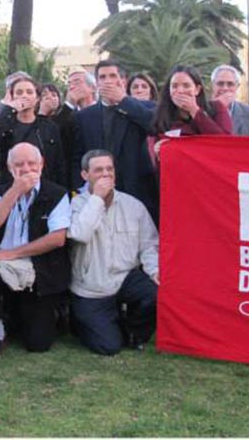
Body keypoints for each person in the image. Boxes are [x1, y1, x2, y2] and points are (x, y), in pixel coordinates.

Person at [0, 143, 70, 356]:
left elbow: (57, 239)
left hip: (38, 267)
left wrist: (12, 254)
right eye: (19, 164)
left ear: (41, 164)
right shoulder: (1, 189)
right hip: (3, 265)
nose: (26, 169)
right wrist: (15, 190)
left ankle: (36, 315)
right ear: (9, 167)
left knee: (38, 344)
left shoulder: (56, 193)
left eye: (31, 163)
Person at [68, 150, 158, 355]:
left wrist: (154, 271)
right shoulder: (76, 205)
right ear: (85, 175)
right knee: (108, 346)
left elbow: (149, 245)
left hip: (125, 277)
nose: (106, 174)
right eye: (98, 170)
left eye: (109, 169)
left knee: (155, 294)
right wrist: (97, 198)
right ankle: (82, 321)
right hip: (92, 286)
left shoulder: (133, 206)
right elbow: (81, 234)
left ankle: (133, 332)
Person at [72, 60, 157, 219]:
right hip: (99, 194)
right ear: (96, 83)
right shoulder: (84, 116)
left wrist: (123, 100)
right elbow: (77, 155)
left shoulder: (144, 107)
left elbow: (154, 126)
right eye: (103, 77)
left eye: (113, 76)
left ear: (123, 81)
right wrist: (80, 188)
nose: (108, 81)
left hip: (137, 192)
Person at [0, 77, 67, 188]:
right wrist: (10, 110)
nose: (24, 96)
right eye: (19, 92)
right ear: (12, 97)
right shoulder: (6, 122)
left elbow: (59, 163)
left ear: (37, 98)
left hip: (43, 186)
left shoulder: (49, 127)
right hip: (10, 186)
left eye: (29, 92)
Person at [152, 65, 233, 137]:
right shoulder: (162, 113)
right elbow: (154, 137)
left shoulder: (216, 108)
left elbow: (224, 141)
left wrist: (194, 110)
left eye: (186, 86)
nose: (180, 90)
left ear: (197, 90)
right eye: (174, 86)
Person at [210, 64, 249, 135]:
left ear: (237, 86)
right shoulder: (201, 112)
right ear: (213, 85)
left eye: (230, 84)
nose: (225, 88)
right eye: (220, 83)